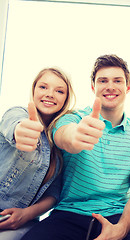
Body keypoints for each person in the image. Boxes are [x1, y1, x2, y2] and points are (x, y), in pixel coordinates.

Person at [21, 54, 130, 240]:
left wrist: (121, 228)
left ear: (127, 86)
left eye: (117, 80)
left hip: (118, 215)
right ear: (93, 87)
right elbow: (64, 136)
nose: (110, 86)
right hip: (69, 214)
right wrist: (76, 136)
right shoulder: (72, 118)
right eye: (103, 80)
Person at [0, 67, 75, 239]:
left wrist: (26, 215)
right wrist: (20, 132)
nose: (50, 94)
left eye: (59, 91)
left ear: (66, 98)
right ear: (33, 90)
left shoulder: (60, 140)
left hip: (23, 221)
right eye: (43, 87)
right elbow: (14, 124)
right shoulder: (18, 113)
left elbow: (53, 194)